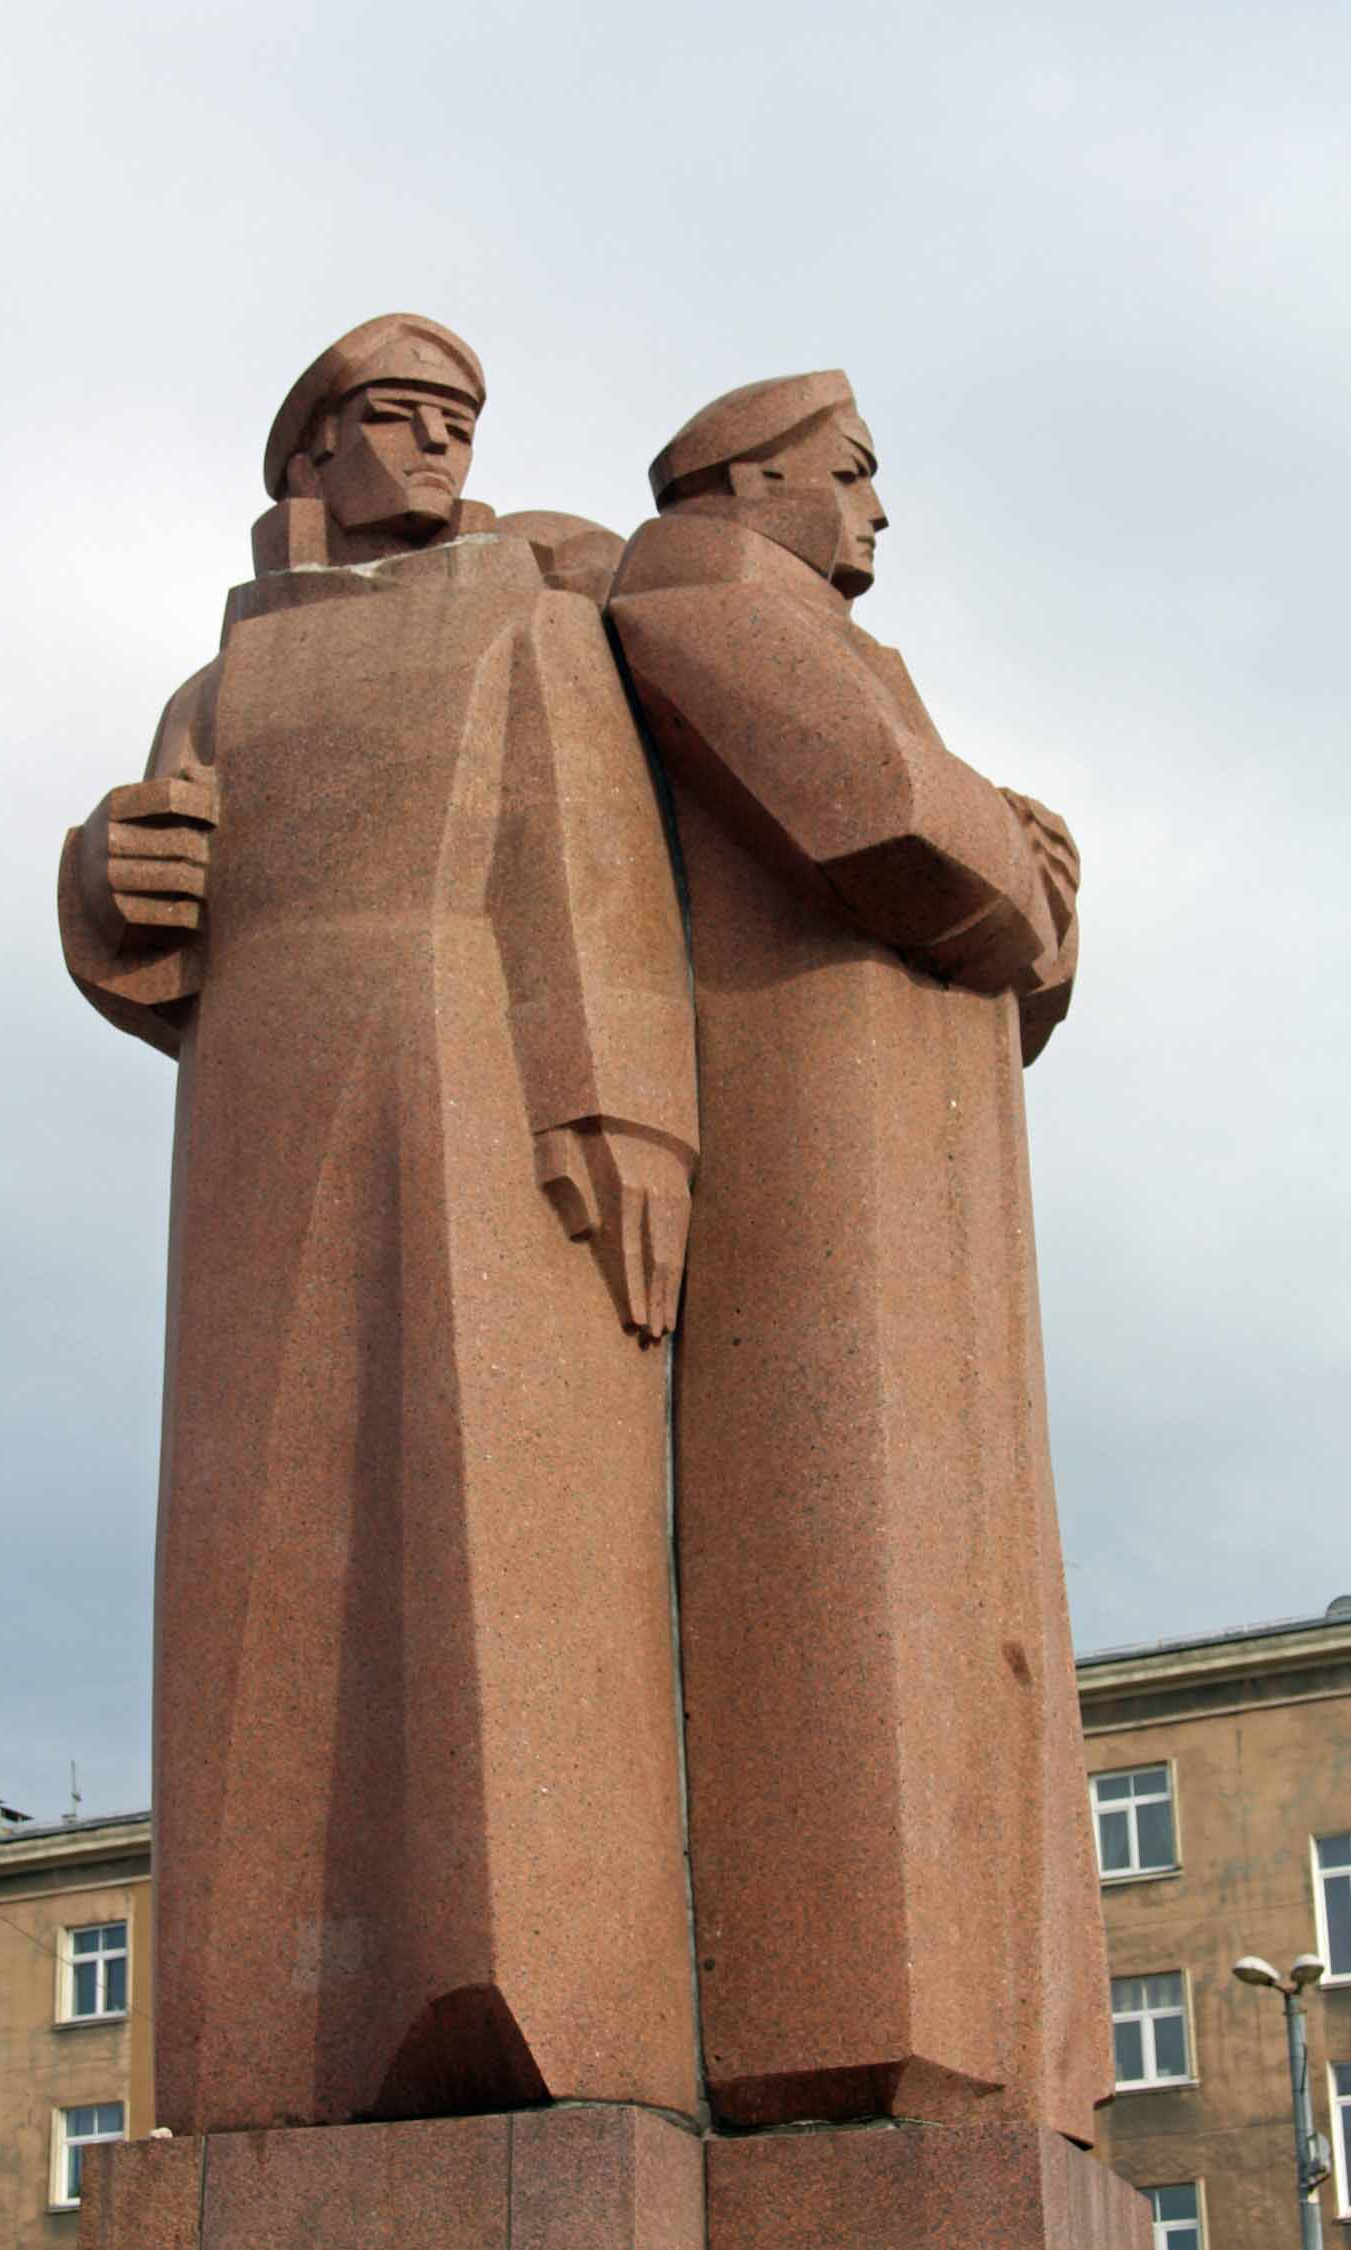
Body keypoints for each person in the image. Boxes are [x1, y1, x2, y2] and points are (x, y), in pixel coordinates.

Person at [59, 315, 700, 2136]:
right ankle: (270, 2033)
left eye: (456, 424)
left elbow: (575, 856)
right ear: (311, 459)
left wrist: (619, 1097)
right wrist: (105, 881)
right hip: (257, 1102)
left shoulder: (518, 611)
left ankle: (512, 1983)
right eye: (397, 420)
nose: (434, 449)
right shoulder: (223, 678)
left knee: (492, 1504)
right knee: (259, 1526)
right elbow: (146, 889)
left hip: (465, 1081)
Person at [607, 371, 1110, 2144]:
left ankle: (970, 2025)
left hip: (922, 1153)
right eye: (854, 473)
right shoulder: (695, 591)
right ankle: (860, 2012)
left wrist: (1021, 888)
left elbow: (953, 867)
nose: (880, 510)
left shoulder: (822, 631)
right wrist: (1022, 859)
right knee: (856, 1558)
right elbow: (879, 820)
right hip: (813, 1142)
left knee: (964, 1579)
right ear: (752, 479)